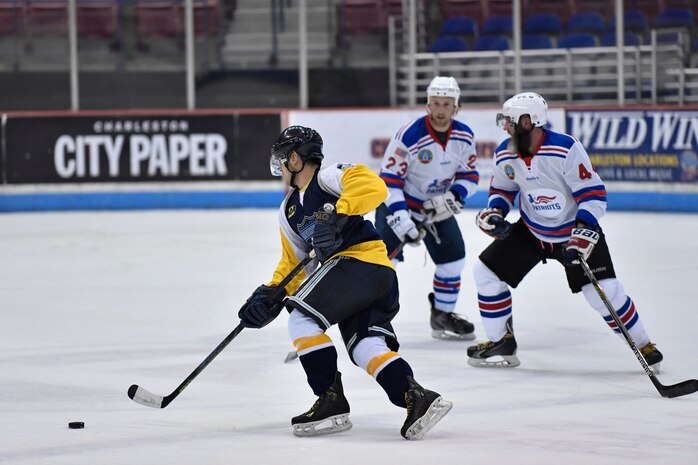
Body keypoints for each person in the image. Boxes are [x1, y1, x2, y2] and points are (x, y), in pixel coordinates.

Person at [237, 125, 452, 440]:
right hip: (369, 277)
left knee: (302, 320)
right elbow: (294, 264)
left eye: (282, 160)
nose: (280, 167)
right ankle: (416, 397)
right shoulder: (289, 211)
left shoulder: (329, 179)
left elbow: (374, 187)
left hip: (359, 264)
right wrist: (272, 293)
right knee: (365, 346)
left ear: (295, 159)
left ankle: (330, 400)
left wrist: (335, 214)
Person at [467, 92, 663, 371]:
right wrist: (496, 212)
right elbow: (503, 189)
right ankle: (502, 342)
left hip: (573, 232)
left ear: (526, 122)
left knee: (603, 292)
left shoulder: (565, 149)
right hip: (532, 231)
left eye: (508, 122)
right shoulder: (504, 153)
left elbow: (592, 193)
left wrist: (583, 231)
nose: (504, 128)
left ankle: (643, 344)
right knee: (486, 272)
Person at [375, 76, 480, 341]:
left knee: (454, 259)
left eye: (447, 103)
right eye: (436, 103)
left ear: (456, 106)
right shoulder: (409, 135)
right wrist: (400, 217)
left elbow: (470, 175)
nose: (441, 109)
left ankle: (442, 314)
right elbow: (389, 180)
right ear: (428, 104)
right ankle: (373, 320)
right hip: (399, 204)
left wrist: (454, 196)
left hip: (438, 209)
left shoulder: (464, 136)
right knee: (384, 263)